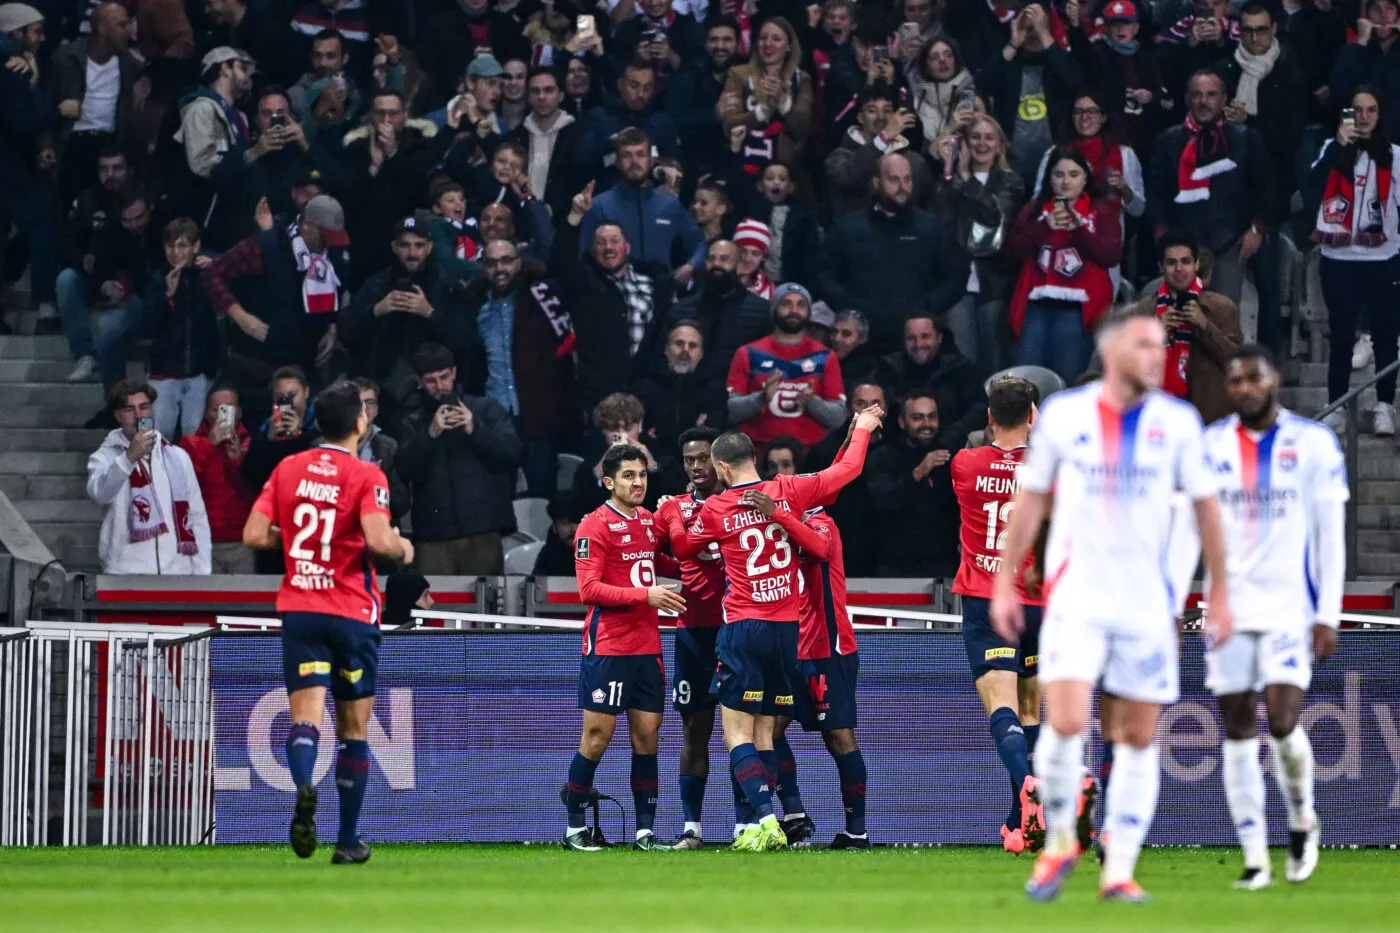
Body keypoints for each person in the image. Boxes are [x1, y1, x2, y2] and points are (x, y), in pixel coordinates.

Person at [990, 306, 1234, 903]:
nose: (1158, 355)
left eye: (1159, 346)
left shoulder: (1178, 422)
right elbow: (1031, 503)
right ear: (1113, 351)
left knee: (1135, 736)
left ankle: (1119, 867)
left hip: (1147, 601)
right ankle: (1059, 843)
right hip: (1077, 593)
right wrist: (1003, 581)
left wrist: (1220, 590)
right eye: (1146, 345)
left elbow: (1206, 509)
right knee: (1066, 720)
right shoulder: (1068, 417)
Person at [658, 413, 883, 851]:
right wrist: (864, 428)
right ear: (755, 457)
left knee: (736, 734)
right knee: (767, 733)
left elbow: (684, 548)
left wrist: (671, 515)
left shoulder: (717, 507)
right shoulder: (789, 491)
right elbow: (847, 470)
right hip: (788, 632)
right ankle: (782, 816)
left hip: (743, 629)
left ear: (722, 468)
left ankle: (764, 819)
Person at [242, 380, 414, 865]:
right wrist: (403, 547)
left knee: (305, 718)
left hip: (300, 607)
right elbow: (380, 543)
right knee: (353, 729)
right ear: (360, 422)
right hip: (352, 613)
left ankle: (302, 787)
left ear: (316, 422)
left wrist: (298, 540)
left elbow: (254, 534)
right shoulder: (367, 474)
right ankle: (348, 840)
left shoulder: (288, 467)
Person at [1203, 345, 1346, 889]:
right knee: (1237, 728)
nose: (1243, 387)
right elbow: (1189, 526)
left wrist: (1327, 613)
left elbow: (1330, 536)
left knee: (1283, 722)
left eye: (1252, 378)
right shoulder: (1210, 446)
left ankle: (1302, 819)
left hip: (1290, 606)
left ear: (1274, 380)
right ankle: (1256, 858)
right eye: (1234, 380)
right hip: (1230, 608)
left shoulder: (1312, 444)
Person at [562, 444, 687, 852]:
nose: (638, 483)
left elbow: (660, 563)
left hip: (646, 648)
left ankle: (644, 833)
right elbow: (588, 589)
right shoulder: (593, 526)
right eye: (629, 476)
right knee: (597, 737)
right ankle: (575, 829)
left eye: (643, 475)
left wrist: (703, 553)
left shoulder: (649, 522)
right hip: (609, 646)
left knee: (647, 739)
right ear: (608, 482)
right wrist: (644, 596)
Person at [950, 377, 1054, 855]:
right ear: (1033, 416)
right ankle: (1020, 825)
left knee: (1003, 709)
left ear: (990, 416)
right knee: (1033, 710)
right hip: (1042, 600)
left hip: (988, 599)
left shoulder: (965, 464)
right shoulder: (1051, 470)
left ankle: (1027, 785)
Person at [741, 480, 869, 850]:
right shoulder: (772, 526)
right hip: (788, 648)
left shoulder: (820, 522)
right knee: (769, 729)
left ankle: (856, 833)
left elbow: (819, 549)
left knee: (839, 737)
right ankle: (795, 815)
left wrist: (776, 513)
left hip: (827, 648)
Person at [1309, 87, 1400, 436]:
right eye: (1357, 110)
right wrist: (1336, 147)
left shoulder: (1394, 155)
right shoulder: (1331, 150)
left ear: (1380, 115)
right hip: (1338, 257)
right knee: (1342, 334)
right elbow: (1312, 185)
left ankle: (1384, 405)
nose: (1363, 117)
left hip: (1383, 257)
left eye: (1371, 110)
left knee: (1385, 334)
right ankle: (1337, 405)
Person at [652, 426, 727, 847]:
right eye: (689, 460)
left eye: (703, 458)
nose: (696, 467)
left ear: (719, 461)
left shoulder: (737, 504)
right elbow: (652, 552)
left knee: (746, 730)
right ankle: (692, 829)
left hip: (736, 629)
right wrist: (684, 561)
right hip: (693, 633)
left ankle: (746, 828)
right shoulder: (674, 507)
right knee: (694, 729)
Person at [1147, 70, 1274, 309]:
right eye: (1197, 95)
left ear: (1224, 99)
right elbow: (1155, 192)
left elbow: (1266, 189)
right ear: (1187, 98)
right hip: (1179, 244)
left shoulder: (1246, 138)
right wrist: (1161, 234)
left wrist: (1256, 229)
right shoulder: (1168, 140)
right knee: (1177, 319)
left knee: (1223, 318)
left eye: (1211, 95)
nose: (1204, 101)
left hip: (1229, 243)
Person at [459, 239, 577, 496]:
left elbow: (566, 355)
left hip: (538, 412)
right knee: (499, 496)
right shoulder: (475, 305)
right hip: (495, 415)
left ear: (519, 263)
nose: (499, 268)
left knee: (542, 494)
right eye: (491, 263)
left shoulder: (542, 296)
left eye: (506, 261)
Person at [819, 152, 968, 354]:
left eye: (907, 179)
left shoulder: (932, 227)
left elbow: (956, 275)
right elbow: (824, 273)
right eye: (893, 179)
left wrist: (927, 307)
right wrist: (848, 306)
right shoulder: (848, 226)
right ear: (876, 182)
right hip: (862, 341)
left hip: (914, 343)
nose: (902, 187)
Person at [201, 194, 351, 395]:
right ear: (306, 225)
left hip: (304, 363)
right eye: (324, 236)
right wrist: (239, 315)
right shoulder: (266, 246)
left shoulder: (334, 256)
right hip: (257, 362)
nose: (328, 244)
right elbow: (212, 273)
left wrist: (331, 326)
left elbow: (335, 291)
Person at [340, 213, 473, 433]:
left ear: (430, 247)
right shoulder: (375, 285)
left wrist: (429, 313)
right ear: (394, 247)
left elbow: (467, 341)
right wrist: (376, 311)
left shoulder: (448, 286)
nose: (412, 253)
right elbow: (346, 333)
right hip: (386, 398)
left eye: (419, 245)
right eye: (405, 245)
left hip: (436, 396)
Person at [397, 344, 522, 575]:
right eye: (431, 381)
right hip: (433, 535)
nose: (439, 387)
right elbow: (405, 470)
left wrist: (475, 429)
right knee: (436, 607)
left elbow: (511, 454)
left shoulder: (485, 409)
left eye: (444, 377)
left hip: (482, 530)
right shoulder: (412, 422)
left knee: (485, 606)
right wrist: (430, 434)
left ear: (454, 373)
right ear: (420, 382)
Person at [554, 182, 675, 411]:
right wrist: (575, 216)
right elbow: (561, 260)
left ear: (627, 247)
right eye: (600, 243)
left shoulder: (655, 283)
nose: (608, 247)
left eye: (614, 241)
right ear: (592, 251)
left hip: (646, 394)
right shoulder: (584, 284)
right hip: (599, 397)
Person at [1008, 147, 1122, 385]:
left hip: (1078, 310)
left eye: (1073, 174)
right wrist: (1044, 227)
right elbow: (1013, 250)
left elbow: (1111, 254)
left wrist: (1078, 230)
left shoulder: (1101, 210)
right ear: (1049, 178)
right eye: (1059, 175)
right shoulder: (1035, 208)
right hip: (1036, 307)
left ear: (1085, 178)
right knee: (1026, 380)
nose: (1066, 181)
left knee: (1068, 379)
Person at [931, 113, 1025, 376]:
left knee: (993, 360)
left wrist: (965, 178)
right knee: (963, 361)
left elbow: (993, 217)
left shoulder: (1010, 181)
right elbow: (940, 221)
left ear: (999, 145)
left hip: (994, 281)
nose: (981, 144)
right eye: (975, 137)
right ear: (965, 143)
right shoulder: (953, 180)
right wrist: (950, 174)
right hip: (958, 282)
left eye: (989, 137)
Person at [86, 380, 212, 575]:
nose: (138, 415)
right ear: (118, 416)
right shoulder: (105, 457)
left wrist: (203, 569)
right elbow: (100, 494)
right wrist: (128, 458)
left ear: (152, 410)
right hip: (126, 571)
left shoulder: (177, 456)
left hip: (178, 571)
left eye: (144, 407)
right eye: (129, 409)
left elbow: (197, 514)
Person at [1031, 88, 1145, 297]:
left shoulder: (1124, 154)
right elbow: (1036, 202)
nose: (1085, 117)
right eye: (1079, 112)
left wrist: (1124, 189)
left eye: (1092, 111)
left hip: (1104, 250)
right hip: (1058, 248)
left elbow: (1139, 209)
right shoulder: (1054, 154)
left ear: (1103, 117)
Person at [1128, 232, 1242, 424]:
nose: (1179, 269)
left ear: (1196, 265)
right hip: (1156, 418)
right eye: (1171, 262)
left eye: (1186, 261)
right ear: (1162, 267)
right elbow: (1124, 364)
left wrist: (1205, 325)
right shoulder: (1144, 311)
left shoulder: (1221, 308)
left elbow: (1237, 361)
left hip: (1208, 416)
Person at [726, 283, 847, 454]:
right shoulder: (748, 353)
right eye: (786, 304)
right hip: (757, 454)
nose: (794, 310)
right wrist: (760, 398)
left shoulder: (826, 357)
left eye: (801, 305)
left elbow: (838, 417)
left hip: (809, 456)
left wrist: (812, 402)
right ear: (774, 308)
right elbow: (729, 411)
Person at [577, 127, 705, 278]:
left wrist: (691, 267)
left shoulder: (669, 204)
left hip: (661, 293)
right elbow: (584, 256)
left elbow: (699, 243)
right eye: (627, 155)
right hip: (613, 294)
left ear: (651, 161)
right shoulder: (599, 206)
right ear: (617, 162)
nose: (634, 162)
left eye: (640, 154)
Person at [0, 2, 58, 330]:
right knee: (40, 222)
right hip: (7, 168)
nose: (41, 39)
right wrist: (56, 111)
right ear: (15, 32)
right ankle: (47, 306)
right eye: (34, 31)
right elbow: (20, 121)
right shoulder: (12, 65)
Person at [866, 389, 961, 577]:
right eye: (918, 418)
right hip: (895, 568)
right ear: (902, 422)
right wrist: (919, 473)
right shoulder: (883, 457)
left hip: (943, 568)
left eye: (932, 417)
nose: (927, 424)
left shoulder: (951, 456)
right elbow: (883, 502)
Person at [173, 46, 257, 249]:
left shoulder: (239, 116)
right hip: (209, 220)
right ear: (224, 69)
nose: (248, 75)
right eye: (241, 67)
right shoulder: (202, 108)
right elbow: (201, 164)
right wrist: (250, 155)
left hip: (234, 217)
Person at [143, 218, 217, 440]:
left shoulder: (207, 276)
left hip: (198, 373)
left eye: (182, 245)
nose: (175, 252)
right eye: (170, 246)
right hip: (163, 372)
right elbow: (147, 326)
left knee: (194, 438)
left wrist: (216, 270)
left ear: (196, 247)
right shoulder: (157, 279)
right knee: (157, 436)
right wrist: (168, 297)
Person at [717, 18, 814, 179]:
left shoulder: (801, 79)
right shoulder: (738, 74)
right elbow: (729, 125)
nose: (768, 44)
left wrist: (783, 102)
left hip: (785, 171)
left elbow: (803, 129)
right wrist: (763, 111)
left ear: (789, 46)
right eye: (763, 38)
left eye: (776, 39)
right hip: (744, 164)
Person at [876, 313, 988, 449]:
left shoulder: (960, 368)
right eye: (911, 338)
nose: (918, 344)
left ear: (939, 338)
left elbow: (979, 409)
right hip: (898, 453)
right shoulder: (889, 369)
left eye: (925, 336)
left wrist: (952, 436)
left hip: (952, 449)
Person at [670, 238, 770, 386]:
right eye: (712, 259)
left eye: (724, 259)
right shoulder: (682, 310)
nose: (717, 264)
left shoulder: (761, 311)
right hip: (690, 394)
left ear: (738, 264)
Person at [179, 384, 255, 574]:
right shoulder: (190, 444)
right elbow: (182, 486)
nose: (223, 415)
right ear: (206, 413)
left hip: (241, 542)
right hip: (204, 542)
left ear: (239, 412)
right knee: (207, 603)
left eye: (229, 408)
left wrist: (237, 460)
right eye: (217, 409)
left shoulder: (251, 444)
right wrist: (209, 444)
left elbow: (253, 493)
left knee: (245, 602)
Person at [630, 321, 728, 456]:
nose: (685, 350)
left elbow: (715, 437)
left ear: (701, 354)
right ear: (666, 349)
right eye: (679, 344)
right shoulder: (643, 390)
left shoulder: (714, 392)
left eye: (692, 346)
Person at [533, 495, 584, 577]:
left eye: (578, 522)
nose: (574, 529)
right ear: (554, 527)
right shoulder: (547, 555)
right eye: (566, 523)